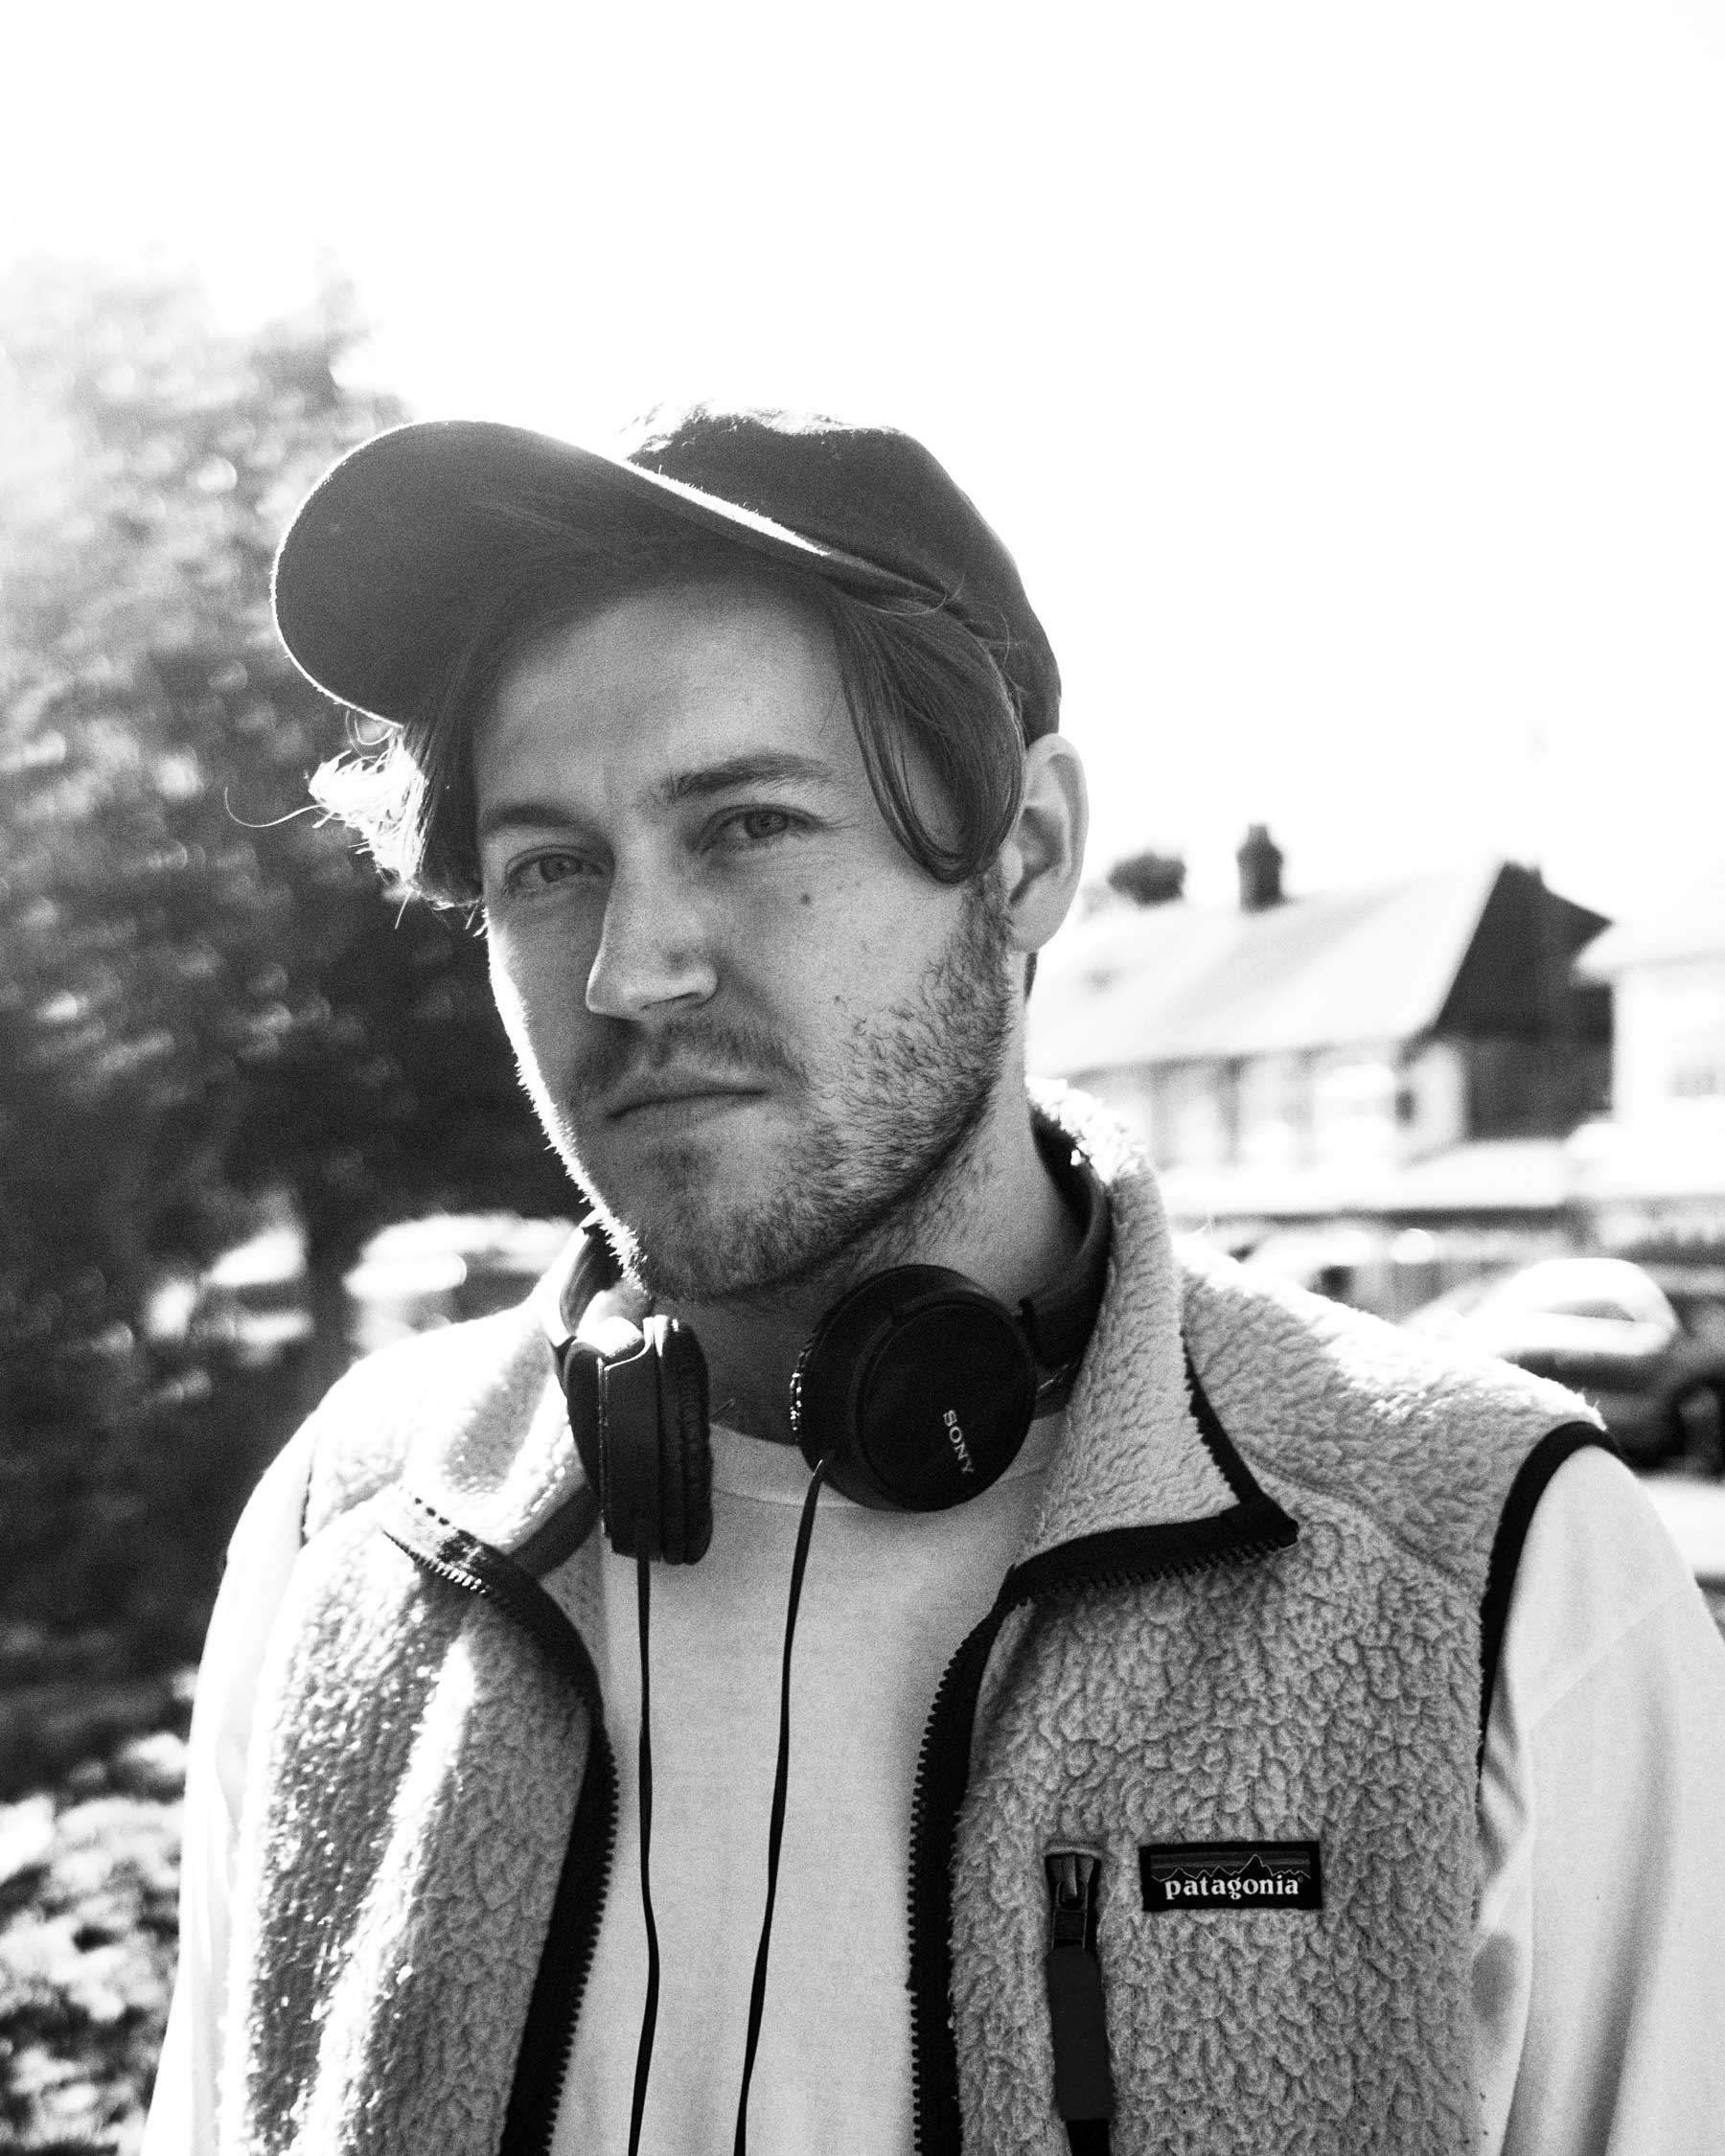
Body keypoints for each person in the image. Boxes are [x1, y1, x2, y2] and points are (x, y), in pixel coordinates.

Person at [146, 407, 1725, 2156]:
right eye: (549, 866)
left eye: (748, 822)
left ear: (1028, 852)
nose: (631, 969)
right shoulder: (348, 1529)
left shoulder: (1499, 1567)